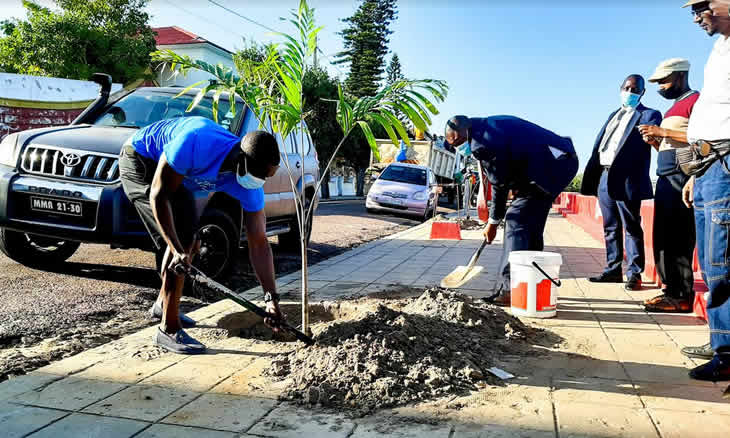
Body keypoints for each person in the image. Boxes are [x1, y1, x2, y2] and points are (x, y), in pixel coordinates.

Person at [119, 116, 283, 354]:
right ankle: (169, 329)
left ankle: (163, 305)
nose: (260, 182)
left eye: (266, 177)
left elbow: (259, 243)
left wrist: (271, 299)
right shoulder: (196, 141)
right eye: (259, 175)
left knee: (191, 240)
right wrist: (176, 249)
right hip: (141, 159)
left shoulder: (249, 185)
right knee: (183, 243)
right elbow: (159, 195)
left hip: (178, 175)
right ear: (241, 159)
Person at [444, 115, 579, 306]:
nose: (458, 147)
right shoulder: (486, 126)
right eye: (453, 144)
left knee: (516, 220)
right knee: (529, 224)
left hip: (553, 166)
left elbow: (499, 185)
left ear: (466, 131)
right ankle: (531, 282)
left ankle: (510, 289)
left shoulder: (484, 141)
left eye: (458, 142)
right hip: (559, 161)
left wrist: (492, 223)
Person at [677, 0, 730, 381]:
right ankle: (721, 340)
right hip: (709, 165)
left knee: (721, 265)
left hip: (725, 165)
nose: (697, 17)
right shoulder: (718, 49)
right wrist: (698, 169)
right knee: (711, 265)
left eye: (702, 6)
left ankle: (727, 353)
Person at [581, 75, 662, 291]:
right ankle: (612, 270)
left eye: (635, 89)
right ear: (620, 88)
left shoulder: (649, 115)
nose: (629, 92)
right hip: (604, 177)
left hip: (627, 179)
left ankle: (634, 273)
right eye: (626, 88)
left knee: (631, 226)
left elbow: (653, 139)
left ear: (642, 93)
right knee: (610, 226)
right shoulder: (613, 116)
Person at [638, 59, 700, 313]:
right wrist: (655, 140)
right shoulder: (673, 108)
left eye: (664, 81)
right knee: (662, 237)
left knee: (678, 237)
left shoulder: (696, 101)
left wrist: (663, 132)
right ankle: (670, 291)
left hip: (681, 176)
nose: (660, 87)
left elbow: (701, 137)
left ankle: (682, 295)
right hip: (665, 175)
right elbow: (669, 146)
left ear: (680, 76)